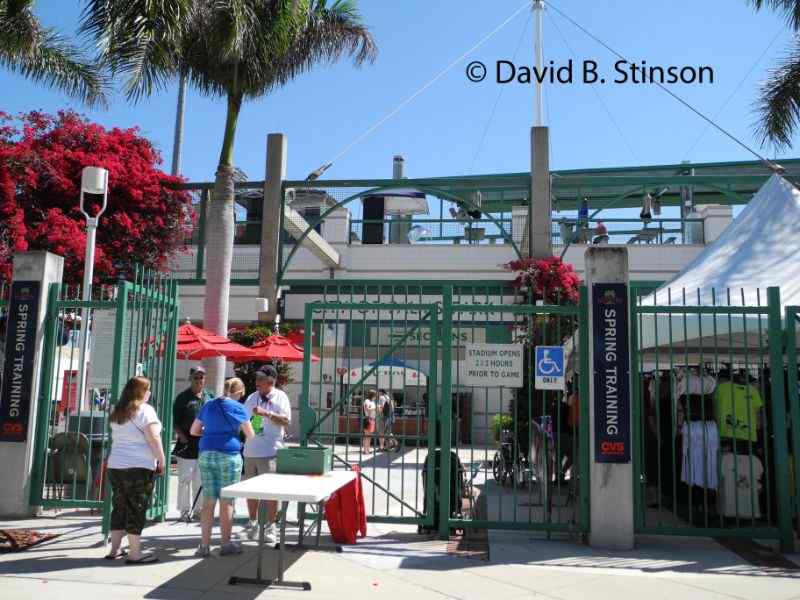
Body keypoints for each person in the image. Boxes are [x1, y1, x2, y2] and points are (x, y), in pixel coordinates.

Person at [190, 377, 255, 557]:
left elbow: (194, 431)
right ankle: (226, 544)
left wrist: (210, 432)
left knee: (209, 501)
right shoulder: (239, 408)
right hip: (229, 455)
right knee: (227, 501)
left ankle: (204, 546)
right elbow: (250, 434)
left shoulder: (209, 405)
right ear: (240, 393)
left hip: (206, 453)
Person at [105, 376, 165, 564]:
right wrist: (162, 460)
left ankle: (115, 549)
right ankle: (135, 553)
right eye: (148, 389)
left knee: (119, 507)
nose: (149, 393)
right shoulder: (146, 410)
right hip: (139, 466)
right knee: (136, 508)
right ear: (142, 392)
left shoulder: (117, 410)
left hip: (116, 465)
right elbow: (153, 438)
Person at [242, 365, 291, 543]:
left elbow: (286, 421)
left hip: (270, 451)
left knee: (271, 491)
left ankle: (271, 526)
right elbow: (243, 419)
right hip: (250, 451)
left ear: (271, 381)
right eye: (257, 379)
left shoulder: (281, 397)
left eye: (261, 379)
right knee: (250, 490)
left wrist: (267, 414)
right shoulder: (252, 397)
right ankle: (253, 523)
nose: (257, 382)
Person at [172, 366, 213, 521]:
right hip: (187, 443)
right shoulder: (182, 397)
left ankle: (198, 510)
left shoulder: (210, 396)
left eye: (201, 377)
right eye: (196, 377)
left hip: (204, 444)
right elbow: (175, 421)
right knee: (185, 479)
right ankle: (184, 511)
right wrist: (181, 436)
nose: (198, 380)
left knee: (200, 479)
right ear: (190, 378)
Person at [361, 390, 377, 455]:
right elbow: (367, 409)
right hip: (368, 419)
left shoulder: (372, 402)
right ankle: (365, 450)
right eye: (375, 395)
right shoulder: (367, 401)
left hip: (372, 419)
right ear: (372, 395)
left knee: (369, 436)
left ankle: (368, 449)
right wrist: (374, 409)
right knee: (367, 436)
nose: (376, 397)